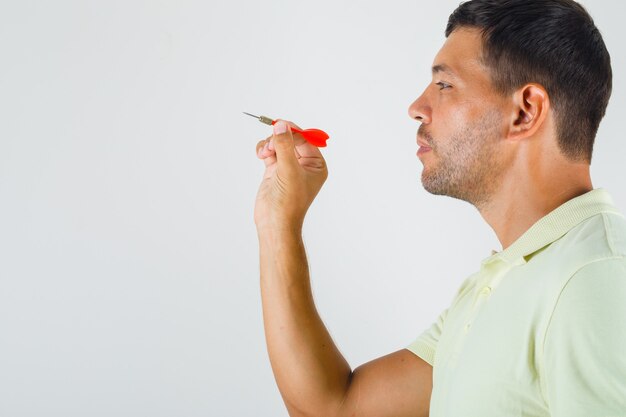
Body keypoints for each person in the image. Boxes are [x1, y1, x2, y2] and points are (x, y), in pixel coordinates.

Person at [253, 0, 626, 416]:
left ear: (526, 111)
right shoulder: (501, 282)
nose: (416, 107)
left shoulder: (595, 277)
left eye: (444, 85)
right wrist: (278, 222)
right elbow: (334, 408)